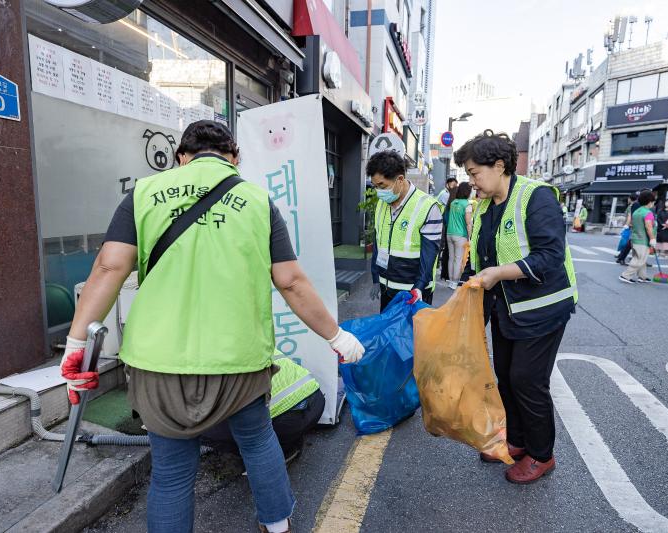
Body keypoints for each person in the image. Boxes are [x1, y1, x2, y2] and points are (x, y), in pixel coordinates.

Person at [58, 120, 364, 533]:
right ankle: (277, 525)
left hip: (158, 361)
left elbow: (110, 266)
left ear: (182, 157)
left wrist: (76, 343)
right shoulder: (257, 201)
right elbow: (291, 281)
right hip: (238, 359)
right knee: (256, 441)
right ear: (234, 159)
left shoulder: (144, 195)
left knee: (171, 473)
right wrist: (336, 336)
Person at [455, 130, 577, 484]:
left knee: (527, 380)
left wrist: (498, 274)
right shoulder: (483, 208)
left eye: (475, 173)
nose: (472, 181)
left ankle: (542, 455)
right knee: (506, 378)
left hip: (542, 309)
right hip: (506, 310)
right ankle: (518, 441)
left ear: (499, 165)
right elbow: (477, 257)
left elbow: (550, 256)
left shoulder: (536, 197)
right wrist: (465, 288)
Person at [202, 350, 324, 463]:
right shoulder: (249, 339)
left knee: (194, 429)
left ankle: (280, 453)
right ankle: (291, 440)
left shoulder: (203, 364)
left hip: (285, 421)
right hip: (316, 401)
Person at [368, 150, 443, 311]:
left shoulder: (427, 206)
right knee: (388, 334)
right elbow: (378, 242)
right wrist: (375, 277)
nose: (378, 191)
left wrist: (419, 287)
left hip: (413, 293)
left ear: (400, 179)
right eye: (375, 186)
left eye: (382, 185)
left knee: (414, 336)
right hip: (386, 288)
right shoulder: (382, 204)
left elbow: (429, 255)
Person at [619, 190, 657, 284]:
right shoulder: (648, 213)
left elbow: (632, 224)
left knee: (640, 259)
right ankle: (625, 276)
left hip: (634, 239)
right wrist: (652, 238)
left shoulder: (636, 212)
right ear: (650, 202)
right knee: (639, 259)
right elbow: (648, 227)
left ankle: (642, 277)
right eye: (653, 201)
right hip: (643, 241)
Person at [446, 182, 474, 288]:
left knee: (451, 258)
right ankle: (455, 281)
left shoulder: (454, 202)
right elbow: (468, 223)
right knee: (458, 259)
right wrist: (470, 237)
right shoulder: (467, 204)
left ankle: (450, 281)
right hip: (460, 234)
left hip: (449, 233)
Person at [617, 192, 643, 265]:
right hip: (636, 227)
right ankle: (622, 258)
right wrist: (627, 225)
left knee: (630, 243)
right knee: (630, 243)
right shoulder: (636, 205)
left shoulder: (636, 204)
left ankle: (621, 257)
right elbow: (630, 216)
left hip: (635, 226)